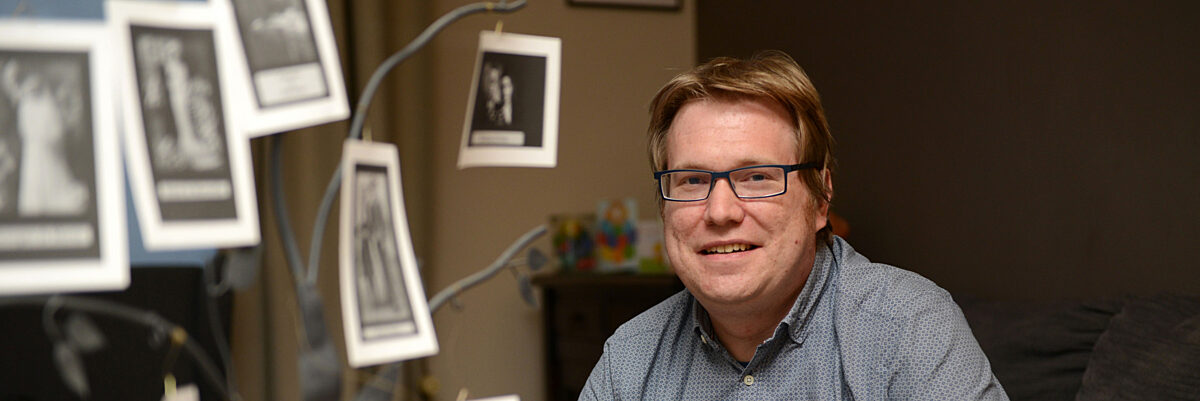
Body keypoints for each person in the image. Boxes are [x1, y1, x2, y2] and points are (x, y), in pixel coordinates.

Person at [579, 51, 1007, 400]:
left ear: (820, 199)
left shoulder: (910, 330)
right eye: (692, 180)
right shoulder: (630, 361)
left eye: (757, 177)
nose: (720, 211)